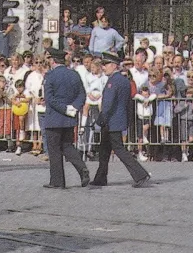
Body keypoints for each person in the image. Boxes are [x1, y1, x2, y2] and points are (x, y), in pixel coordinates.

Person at [91, 51, 150, 187]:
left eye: (105, 64)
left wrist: (99, 121)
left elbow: (108, 104)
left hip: (111, 121)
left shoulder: (113, 81)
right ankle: (100, 178)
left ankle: (140, 174)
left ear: (113, 65)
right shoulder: (124, 80)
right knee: (104, 150)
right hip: (117, 120)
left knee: (119, 149)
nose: (103, 67)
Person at [41, 48, 90, 188]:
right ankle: (82, 168)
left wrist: (64, 109)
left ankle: (57, 181)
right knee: (68, 146)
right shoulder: (74, 74)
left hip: (55, 118)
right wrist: (74, 107)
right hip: (69, 118)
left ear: (52, 60)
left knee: (55, 150)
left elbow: (49, 98)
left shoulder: (50, 76)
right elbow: (82, 95)